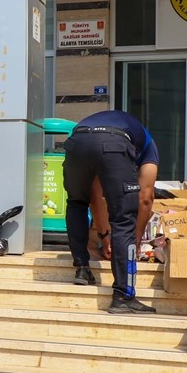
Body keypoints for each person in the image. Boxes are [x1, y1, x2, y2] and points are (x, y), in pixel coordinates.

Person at [63, 109, 159, 314]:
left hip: (76, 142)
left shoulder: (111, 128)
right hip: (113, 143)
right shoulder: (149, 146)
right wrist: (136, 239)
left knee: (77, 202)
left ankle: (82, 268)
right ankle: (124, 296)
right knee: (124, 219)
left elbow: (93, 196)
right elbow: (145, 198)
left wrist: (104, 235)